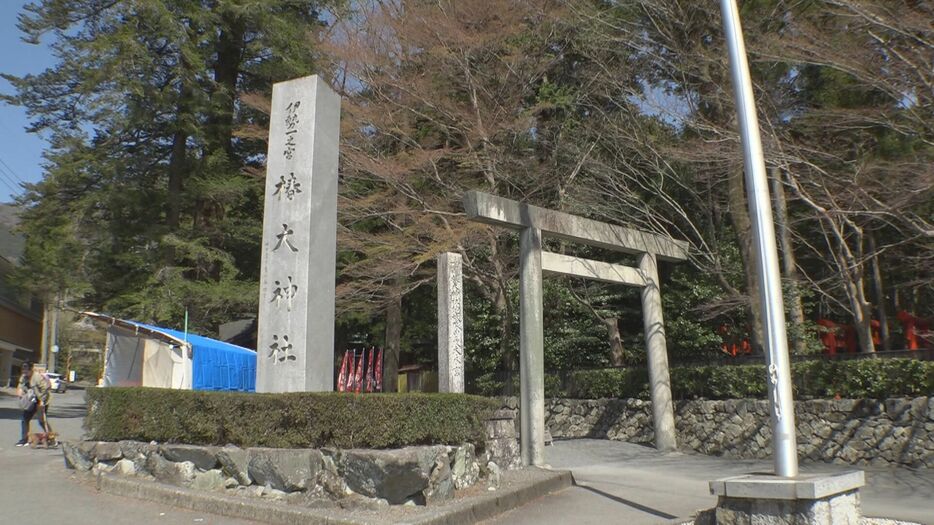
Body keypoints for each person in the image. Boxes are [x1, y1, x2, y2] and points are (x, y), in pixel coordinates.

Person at [15, 362, 51, 447]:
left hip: (41, 399)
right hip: (31, 400)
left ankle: (50, 437)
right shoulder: (23, 377)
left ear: (31, 369)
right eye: (23, 370)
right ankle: (24, 440)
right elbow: (20, 386)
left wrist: (42, 401)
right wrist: (20, 391)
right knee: (25, 418)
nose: (24, 372)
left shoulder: (37, 377)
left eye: (26, 370)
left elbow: (45, 389)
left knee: (41, 421)